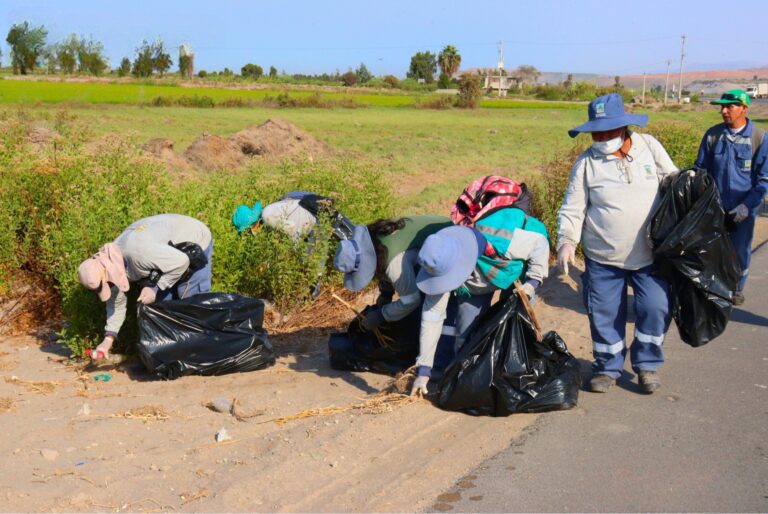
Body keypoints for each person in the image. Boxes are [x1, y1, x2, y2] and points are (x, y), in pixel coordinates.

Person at [557, 93, 678, 394]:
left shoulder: (649, 147)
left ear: (624, 127)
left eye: (608, 131)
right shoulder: (586, 163)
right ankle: (608, 367)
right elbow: (573, 207)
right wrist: (566, 240)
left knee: (655, 307)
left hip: (649, 254)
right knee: (605, 314)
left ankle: (647, 366)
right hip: (603, 256)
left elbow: (675, 183)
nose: (601, 137)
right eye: (596, 132)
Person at [412, 207, 550, 396]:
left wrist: (532, 282)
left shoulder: (502, 239)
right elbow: (432, 317)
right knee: (465, 334)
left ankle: (510, 377)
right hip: (480, 279)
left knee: (513, 326)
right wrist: (424, 370)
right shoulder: (438, 259)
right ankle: (469, 379)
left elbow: (539, 244)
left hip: (519, 268)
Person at [77, 214, 213, 361]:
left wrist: (154, 288)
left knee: (189, 301)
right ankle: (177, 356)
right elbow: (116, 302)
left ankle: (201, 354)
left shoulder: (140, 254)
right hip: (163, 252)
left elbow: (181, 261)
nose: (109, 287)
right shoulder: (109, 262)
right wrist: (107, 340)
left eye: (108, 285)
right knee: (162, 306)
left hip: (192, 238)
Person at [694, 89, 768, 305]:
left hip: (744, 210)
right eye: (722, 107)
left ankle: (736, 288)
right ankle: (712, 289)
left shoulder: (759, 138)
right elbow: (701, 170)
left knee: (739, 251)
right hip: (714, 207)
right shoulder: (713, 135)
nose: (724, 111)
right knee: (710, 250)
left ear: (744, 108)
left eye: (730, 106)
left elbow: (764, 180)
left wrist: (746, 206)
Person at [333, 215, 453, 330]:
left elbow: (411, 300)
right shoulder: (377, 236)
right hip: (446, 227)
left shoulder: (394, 262)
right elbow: (379, 260)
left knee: (421, 312)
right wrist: (386, 291)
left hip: (451, 247)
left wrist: (382, 315)